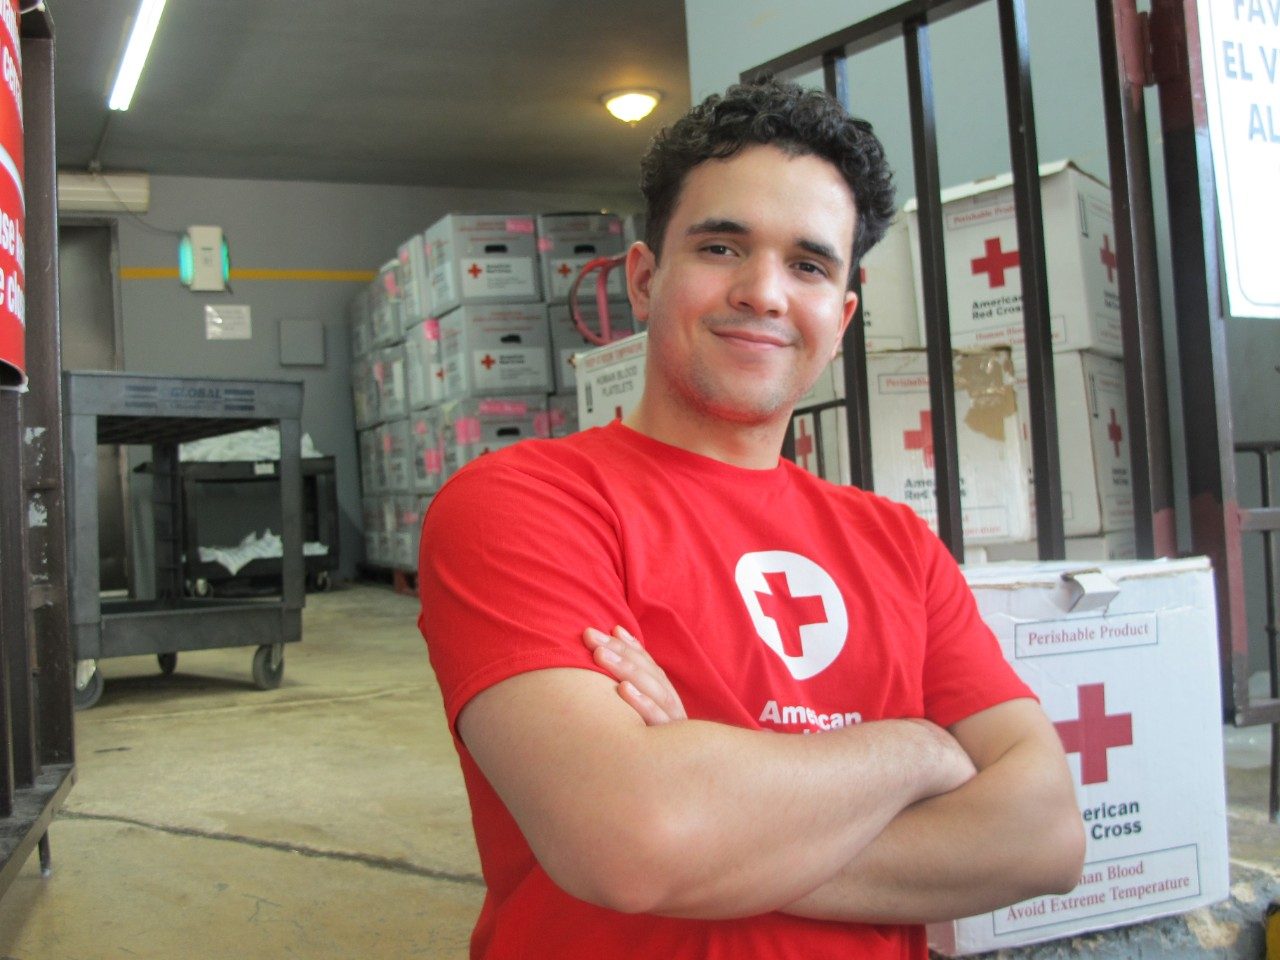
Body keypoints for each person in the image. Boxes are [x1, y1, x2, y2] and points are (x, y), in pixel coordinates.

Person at [417, 77, 1084, 960]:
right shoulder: (524, 504)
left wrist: (710, 804)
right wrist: (917, 755)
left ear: (841, 316)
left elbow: (1045, 838)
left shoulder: (899, 545)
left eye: (809, 265)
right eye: (723, 247)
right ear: (647, 279)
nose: (764, 293)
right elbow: (631, 840)